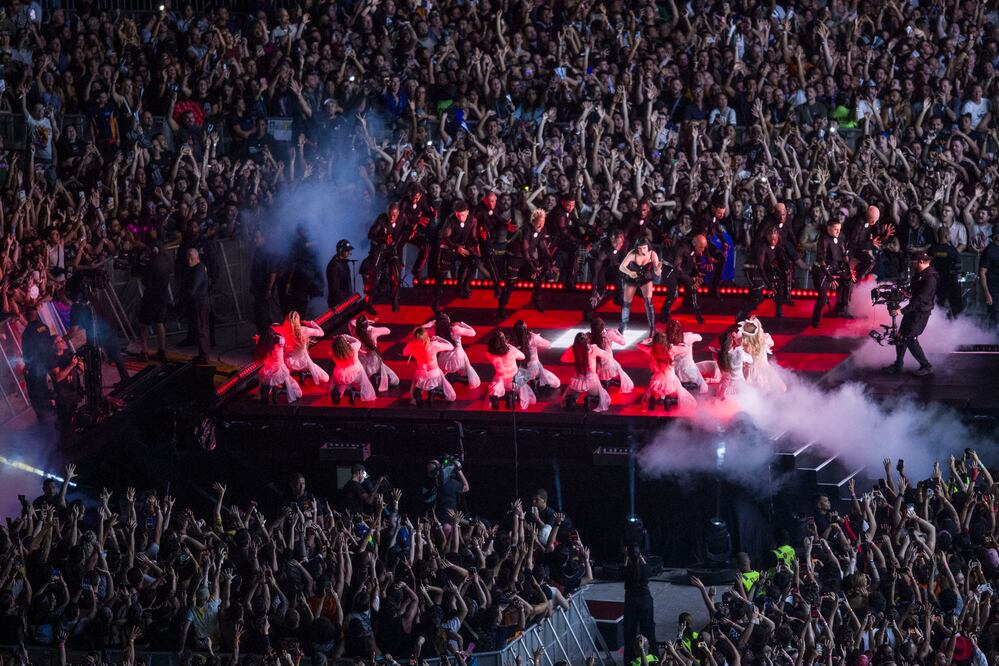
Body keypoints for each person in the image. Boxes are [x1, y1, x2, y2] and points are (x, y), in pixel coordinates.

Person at [884, 252, 938, 377]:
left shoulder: (930, 278)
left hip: (921, 312)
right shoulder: (919, 275)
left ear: (920, 261)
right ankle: (898, 364)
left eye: (913, 262)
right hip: (913, 310)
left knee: (910, 338)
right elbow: (913, 293)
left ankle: (926, 366)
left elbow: (920, 299)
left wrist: (901, 311)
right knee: (901, 335)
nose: (912, 265)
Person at [498, 208, 551, 317]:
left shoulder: (543, 229)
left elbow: (542, 245)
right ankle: (501, 308)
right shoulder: (525, 230)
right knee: (510, 285)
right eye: (538, 223)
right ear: (533, 221)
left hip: (527, 258)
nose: (540, 226)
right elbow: (525, 250)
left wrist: (550, 259)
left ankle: (535, 300)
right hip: (515, 257)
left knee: (537, 278)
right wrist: (533, 267)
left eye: (542, 223)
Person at [661, 235, 719, 325]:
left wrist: (697, 272)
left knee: (693, 289)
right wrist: (690, 277)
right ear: (695, 244)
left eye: (704, 248)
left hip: (680, 270)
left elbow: (693, 260)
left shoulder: (693, 248)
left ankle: (698, 314)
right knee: (674, 293)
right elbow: (677, 267)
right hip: (670, 269)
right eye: (701, 247)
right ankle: (665, 314)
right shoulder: (682, 248)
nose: (702, 250)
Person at [738, 225, 791, 322]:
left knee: (779, 285)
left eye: (775, 236)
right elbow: (760, 267)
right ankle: (742, 314)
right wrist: (767, 283)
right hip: (753, 269)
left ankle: (779, 311)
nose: (773, 239)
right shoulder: (762, 247)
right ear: (766, 236)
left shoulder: (778, 244)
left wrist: (785, 269)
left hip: (766, 269)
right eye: (770, 235)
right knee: (758, 295)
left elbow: (781, 258)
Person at [433, 201, 478, 306]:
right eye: (458, 215)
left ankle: (462, 285)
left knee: (474, 261)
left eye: (463, 215)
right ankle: (436, 299)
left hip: (462, 247)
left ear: (467, 212)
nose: (461, 218)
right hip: (449, 247)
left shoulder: (472, 220)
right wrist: (455, 247)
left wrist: (476, 245)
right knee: (441, 274)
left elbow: (473, 236)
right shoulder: (451, 219)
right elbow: (445, 237)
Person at [810, 220, 854, 328]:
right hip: (821, 269)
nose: (838, 231)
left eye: (839, 229)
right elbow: (821, 261)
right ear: (828, 228)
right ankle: (815, 322)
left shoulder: (840, 236)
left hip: (834, 266)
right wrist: (830, 277)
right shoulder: (823, 239)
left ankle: (842, 308)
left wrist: (849, 270)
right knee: (823, 297)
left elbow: (844, 255)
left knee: (848, 279)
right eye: (835, 229)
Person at [617, 239, 662, 341]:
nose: (642, 251)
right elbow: (621, 267)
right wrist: (629, 272)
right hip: (632, 278)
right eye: (640, 248)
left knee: (648, 302)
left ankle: (652, 328)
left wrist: (658, 270)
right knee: (626, 303)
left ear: (648, 247)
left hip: (645, 278)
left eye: (644, 248)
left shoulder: (652, 254)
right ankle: (623, 326)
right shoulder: (633, 253)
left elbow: (656, 271)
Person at [637, 333, 696, 411]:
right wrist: (682, 344)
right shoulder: (671, 349)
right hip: (670, 382)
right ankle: (669, 400)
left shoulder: (651, 350)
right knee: (685, 399)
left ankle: (653, 400)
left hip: (656, 383)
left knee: (655, 392)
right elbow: (687, 349)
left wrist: (648, 340)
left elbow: (639, 345)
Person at [363, 204, 404, 313]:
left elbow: (405, 231)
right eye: (390, 215)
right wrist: (382, 238)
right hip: (379, 249)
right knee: (373, 274)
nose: (392, 218)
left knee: (396, 273)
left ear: (398, 214)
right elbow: (370, 235)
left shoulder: (401, 220)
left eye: (394, 215)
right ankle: (368, 303)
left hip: (391, 250)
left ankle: (395, 299)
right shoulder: (381, 220)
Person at [402, 326, 456, 406]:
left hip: (421, 374)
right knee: (446, 391)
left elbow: (404, 353)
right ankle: (433, 392)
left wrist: (410, 342)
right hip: (434, 374)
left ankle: (419, 392)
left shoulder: (412, 345)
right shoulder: (434, 345)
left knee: (418, 378)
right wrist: (439, 339)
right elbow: (451, 347)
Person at [423, 312, 480, 388]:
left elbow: (420, 329)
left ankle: (438, 385)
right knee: (470, 377)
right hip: (459, 358)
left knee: (438, 375)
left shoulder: (435, 331)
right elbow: (473, 333)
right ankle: (455, 378)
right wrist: (462, 324)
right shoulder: (455, 329)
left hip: (444, 360)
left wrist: (431, 323)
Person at [622, 543, 656, 666]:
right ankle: (652, 658)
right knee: (649, 630)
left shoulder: (626, 569)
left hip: (631, 602)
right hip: (645, 600)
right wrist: (640, 557)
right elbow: (649, 569)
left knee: (630, 633)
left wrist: (626, 558)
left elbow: (622, 572)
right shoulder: (645, 568)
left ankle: (629, 661)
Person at [559, 332, 612, 412]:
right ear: (587, 340)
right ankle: (589, 398)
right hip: (591, 381)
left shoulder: (573, 349)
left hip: (577, 381)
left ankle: (572, 399)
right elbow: (607, 355)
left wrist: (573, 357)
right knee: (603, 398)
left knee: (570, 395)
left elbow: (563, 359)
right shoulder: (592, 349)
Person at [138, 241, 172, 362]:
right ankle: (162, 351)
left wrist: (143, 267)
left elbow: (146, 281)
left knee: (144, 324)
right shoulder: (167, 260)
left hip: (151, 297)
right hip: (163, 296)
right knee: (160, 323)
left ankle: (144, 351)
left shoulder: (151, 264)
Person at [485, 331, 535, 410]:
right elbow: (523, 357)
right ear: (504, 340)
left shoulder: (489, 353)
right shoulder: (511, 350)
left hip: (500, 380)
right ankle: (511, 394)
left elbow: (499, 351)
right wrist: (513, 348)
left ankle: (497, 395)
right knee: (525, 373)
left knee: (496, 381)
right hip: (513, 380)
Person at [20, 306, 55, 420]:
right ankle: (50, 406)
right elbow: (50, 341)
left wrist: (27, 366)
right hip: (48, 359)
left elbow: (27, 352)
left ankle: (41, 412)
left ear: (26, 316)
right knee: (45, 384)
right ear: (36, 314)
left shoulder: (27, 333)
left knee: (36, 388)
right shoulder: (44, 327)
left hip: (36, 364)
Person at [349, 315, 399, 393]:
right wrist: (370, 326)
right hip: (374, 363)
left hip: (362, 365)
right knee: (396, 381)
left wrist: (367, 322)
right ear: (367, 325)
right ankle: (378, 379)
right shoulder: (372, 331)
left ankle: (371, 382)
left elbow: (351, 321)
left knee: (358, 384)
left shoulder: (353, 330)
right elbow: (388, 330)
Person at [585, 229, 626, 320]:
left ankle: (619, 298)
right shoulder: (604, 252)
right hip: (602, 270)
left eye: (620, 244)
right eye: (616, 244)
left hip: (614, 268)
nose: (618, 246)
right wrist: (593, 292)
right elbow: (595, 274)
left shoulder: (624, 245)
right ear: (612, 241)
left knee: (622, 276)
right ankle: (589, 310)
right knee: (600, 291)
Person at [397, 184, 435, 281]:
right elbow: (401, 217)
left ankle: (417, 269)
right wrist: (416, 220)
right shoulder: (405, 202)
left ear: (420, 196)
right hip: (402, 231)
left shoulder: (422, 200)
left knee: (426, 246)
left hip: (413, 231)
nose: (414, 200)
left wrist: (432, 213)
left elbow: (426, 210)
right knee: (399, 245)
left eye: (416, 198)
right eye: (412, 197)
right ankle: (398, 266)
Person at [739, 317, 787, 393]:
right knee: (769, 389)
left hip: (750, 371)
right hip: (764, 369)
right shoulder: (765, 340)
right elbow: (772, 343)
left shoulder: (744, 345)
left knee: (751, 391)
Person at [509, 320, 560, 390]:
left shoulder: (512, 341)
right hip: (533, 368)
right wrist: (536, 337)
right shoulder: (532, 338)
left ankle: (533, 381)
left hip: (520, 369)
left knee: (515, 388)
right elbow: (548, 345)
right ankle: (535, 380)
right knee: (557, 383)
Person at [280, 311, 329, 385]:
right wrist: (311, 323)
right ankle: (306, 373)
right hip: (303, 361)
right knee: (326, 378)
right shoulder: (304, 330)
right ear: (298, 319)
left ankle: (302, 372)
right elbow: (321, 333)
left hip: (288, 362)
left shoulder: (284, 331)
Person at [256, 328, 303, 404]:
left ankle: (269, 395)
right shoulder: (278, 341)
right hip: (277, 369)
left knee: (270, 381)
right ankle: (272, 394)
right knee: (275, 383)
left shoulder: (269, 343)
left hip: (273, 369)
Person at [249, 228, 281, 337]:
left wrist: (268, 289)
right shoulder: (258, 251)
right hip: (258, 291)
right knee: (260, 318)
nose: (254, 240)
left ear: (263, 238)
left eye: (257, 238)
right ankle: (262, 345)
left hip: (266, 293)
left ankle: (272, 346)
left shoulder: (268, 252)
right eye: (254, 238)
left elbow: (273, 271)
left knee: (270, 318)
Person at [471, 190, 503, 298]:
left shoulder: (497, 207)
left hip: (490, 235)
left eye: (493, 201)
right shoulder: (479, 210)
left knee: (489, 261)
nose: (491, 204)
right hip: (479, 236)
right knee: (472, 261)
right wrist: (475, 241)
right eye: (489, 201)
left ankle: (497, 285)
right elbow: (474, 225)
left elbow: (498, 219)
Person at [183, 247, 211, 364]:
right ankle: (202, 354)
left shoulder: (198, 270)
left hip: (200, 304)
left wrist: (185, 296)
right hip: (199, 303)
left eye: (191, 258)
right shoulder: (198, 268)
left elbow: (193, 288)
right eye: (188, 258)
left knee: (201, 330)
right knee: (201, 329)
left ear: (197, 258)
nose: (189, 260)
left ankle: (204, 356)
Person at [591, 317, 634, 393]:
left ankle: (604, 383)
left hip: (596, 366)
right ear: (603, 326)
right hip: (608, 365)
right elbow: (623, 342)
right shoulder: (609, 333)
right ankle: (608, 383)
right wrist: (617, 332)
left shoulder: (590, 336)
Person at [928, 226, 963, 318]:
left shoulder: (932, 250)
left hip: (936, 283)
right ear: (946, 236)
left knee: (938, 307)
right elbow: (958, 261)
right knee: (956, 308)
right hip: (951, 282)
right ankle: (957, 326)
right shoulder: (951, 250)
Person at [330, 334, 376, 404]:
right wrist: (347, 337)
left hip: (340, 374)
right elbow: (357, 341)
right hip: (355, 371)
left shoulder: (334, 352)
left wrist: (340, 340)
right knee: (367, 390)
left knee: (342, 384)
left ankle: (338, 396)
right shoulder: (353, 347)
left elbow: (341, 350)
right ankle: (355, 392)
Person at [716, 330, 752, 401]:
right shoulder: (739, 353)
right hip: (740, 386)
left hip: (726, 387)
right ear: (732, 342)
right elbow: (750, 359)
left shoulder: (718, 355)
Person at [326, 239, 356, 311]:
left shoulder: (344, 263)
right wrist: (345, 301)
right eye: (347, 250)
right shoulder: (334, 265)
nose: (349, 252)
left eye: (349, 250)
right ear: (340, 250)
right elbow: (335, 287)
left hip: (346, 300)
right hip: (338, 303)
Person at [980, 225, 999, 327]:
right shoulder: (990, 250)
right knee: (995, 317)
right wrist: (987, 293)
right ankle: (992, 341)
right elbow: (982, 273)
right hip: (993, 290)